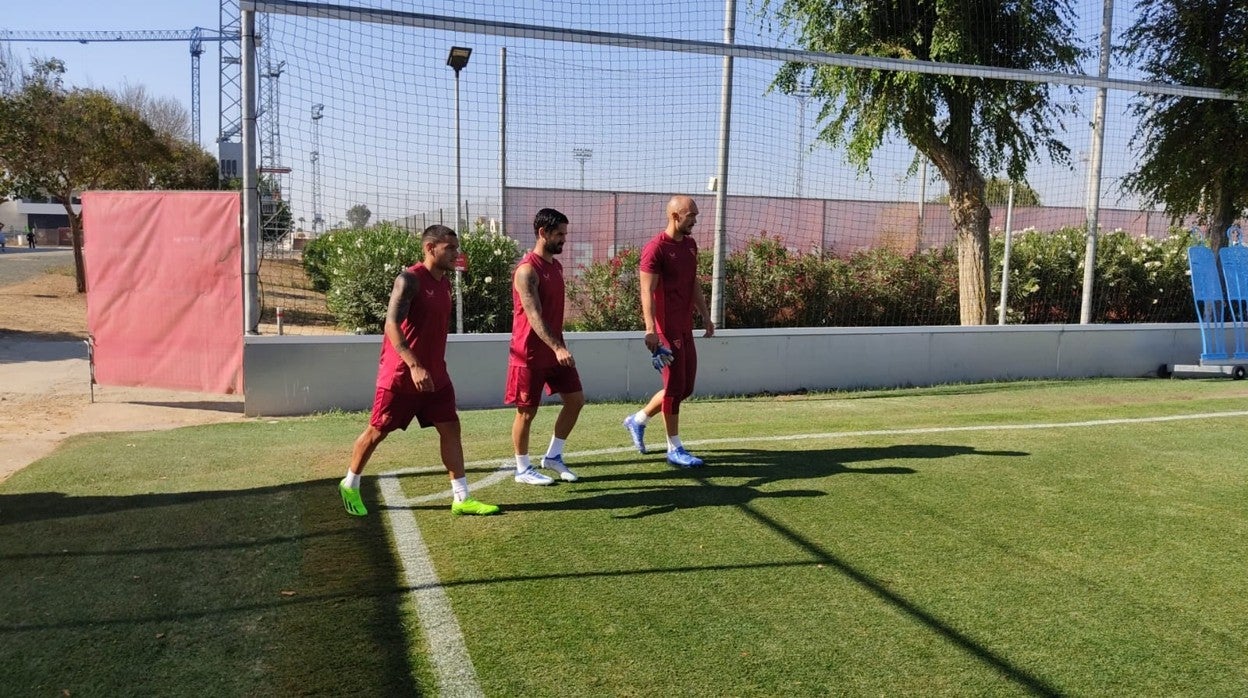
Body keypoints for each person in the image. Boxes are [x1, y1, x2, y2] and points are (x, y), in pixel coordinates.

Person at [338, 224, 499, 517]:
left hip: (436, 375)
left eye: (456, 247)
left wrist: (428, 367)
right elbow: (391, 324)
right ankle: (350, 483)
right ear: (429, 248)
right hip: (402, 375)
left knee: (451, 428)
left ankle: (462, 498)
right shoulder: (409, 279)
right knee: (377, 432)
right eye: (449, 248)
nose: (456, 253)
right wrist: (414, 365)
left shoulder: (445, 282)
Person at [623, 195, 715, 467]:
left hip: (684, 326)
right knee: (674, 389)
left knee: (685, 387)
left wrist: (706, 316)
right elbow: (646, 292)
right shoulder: (655, 249)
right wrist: (650, 329)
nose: (696, 221)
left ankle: (637, 420)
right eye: (692, 216)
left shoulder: (690, 245)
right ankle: (674, 448)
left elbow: (693, 282)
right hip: (665, 330)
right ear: (676, 216)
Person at [506, 208, 584, 486]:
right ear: (542, 233)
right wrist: (557, 347)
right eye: (559, 234)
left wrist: (558, 347)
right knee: (526, 412)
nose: (564, 239)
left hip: (554, 350)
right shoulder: (527, 270)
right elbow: (533, 315)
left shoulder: (556, 266)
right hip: (528, 352)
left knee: (575, 400)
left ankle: (553, 456)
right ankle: (522, 468)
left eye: (565, 233)